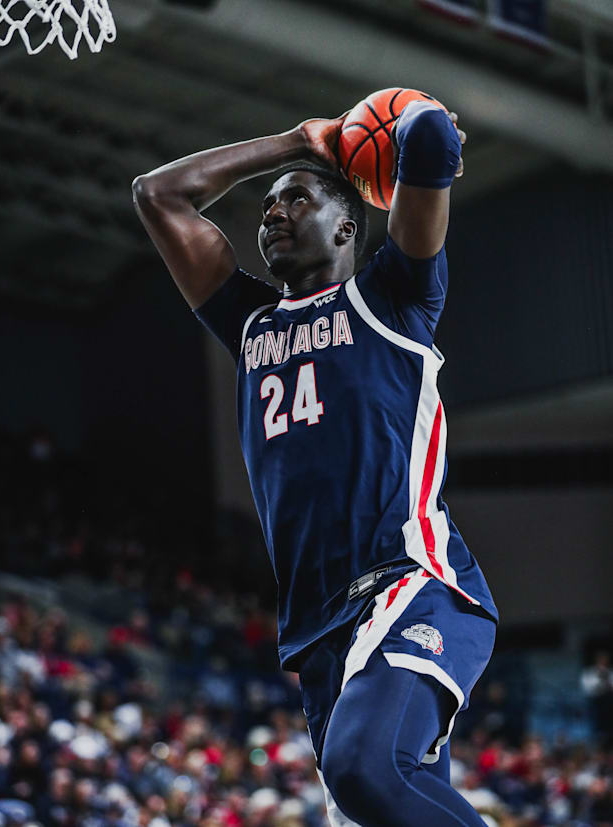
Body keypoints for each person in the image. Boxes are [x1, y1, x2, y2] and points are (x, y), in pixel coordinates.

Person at [132, 98, 499, 826]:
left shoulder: (394, 296)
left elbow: (426, 139)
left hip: (411, 584)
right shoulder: (249, 322)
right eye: (266, 204)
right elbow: (156, 194)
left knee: (364, 768)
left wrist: (414, 125)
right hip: (321, 627)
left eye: (295, 197)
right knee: (380, 794)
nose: (271, 211)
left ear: (346, 224)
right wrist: (291, 145)